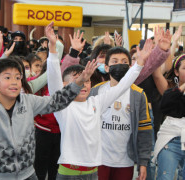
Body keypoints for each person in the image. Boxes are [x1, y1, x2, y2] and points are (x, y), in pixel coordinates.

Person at [0, 53, 92, 179]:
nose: (14, 82)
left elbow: (57, 102)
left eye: (18, 78)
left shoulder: (29, 101)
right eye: (7, 77)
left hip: (29, 175)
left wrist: (79, 82)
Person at [45, 21, 150, 180]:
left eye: (86, 80)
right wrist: (52, 49)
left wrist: (139, 65)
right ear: (66, 86)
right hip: (69, 173)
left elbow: (122, 86)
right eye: (78, 80)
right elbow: (53, 81)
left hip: (93, 172)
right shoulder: (63, 106)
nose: (83, 84)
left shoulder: (96, 102)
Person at [89, 45, 153, 180]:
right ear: (106, 67)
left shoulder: (138, 94)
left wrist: (143, 162)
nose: (120, 65)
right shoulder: (95, 91)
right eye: (115, 61)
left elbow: (144, 130)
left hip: (125, 160)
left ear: (131, 67)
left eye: (124, 62)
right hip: (99, 158)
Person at [152, 54, 185, 180]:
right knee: (165, 177)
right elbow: (165, 105)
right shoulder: (171, 91)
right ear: (176, 72)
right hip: (170, 140)